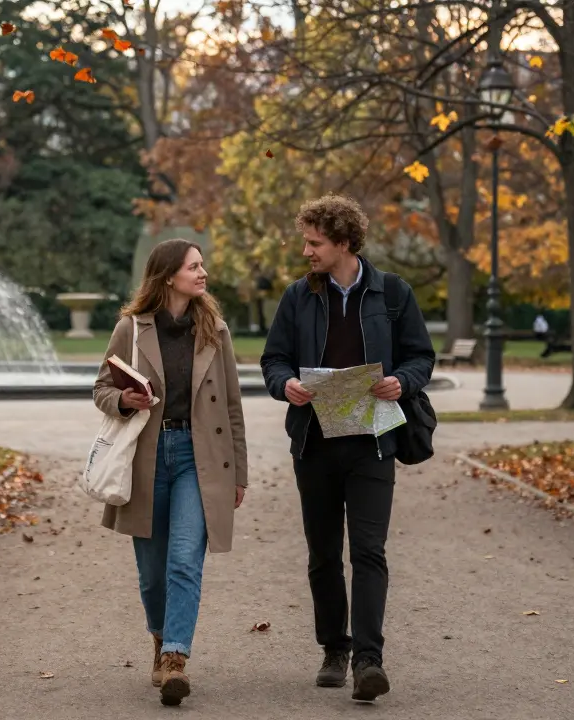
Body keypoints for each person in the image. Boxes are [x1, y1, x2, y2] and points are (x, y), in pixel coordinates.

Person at [260, 194, 434, 702]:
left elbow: (422, 356)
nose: (307, 252)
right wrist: (285, 384)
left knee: (368, 552)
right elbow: (274, 360)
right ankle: (334, 649)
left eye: (315, 243)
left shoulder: (393, 294)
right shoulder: (298, 296)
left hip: (373, 443)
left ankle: (368, 660)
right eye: (306, 242)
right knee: (321, 556)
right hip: (314, 443)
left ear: (343, 242)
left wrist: (402, 380)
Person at [92, 238, 249, 707]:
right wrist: (123, 399)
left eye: (202, 266)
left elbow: (234, 407)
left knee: (184, 559)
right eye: (193, 267)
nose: (203, 274)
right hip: (146, 456)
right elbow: (101, 387)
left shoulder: (213, 330)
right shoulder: (131, 328)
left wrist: (238, 471)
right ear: (167, 277)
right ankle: (161, 638)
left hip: (198, 459)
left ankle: (177, 658)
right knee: (151, 573)